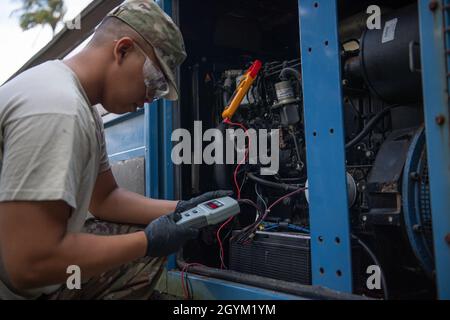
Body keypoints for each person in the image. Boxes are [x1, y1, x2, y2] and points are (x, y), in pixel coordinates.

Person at [0, 0, 231, 300]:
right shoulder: (59, 109)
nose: (152, 97)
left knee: (134, 234)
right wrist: (147, 243)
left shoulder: (77, 103)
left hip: (20, 269)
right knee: (140, 250)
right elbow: (27, 265)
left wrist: (181, 209)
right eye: (154, 80)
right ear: (122, 50)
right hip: (16, 283)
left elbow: (104, 199)